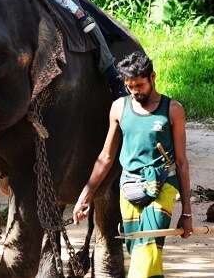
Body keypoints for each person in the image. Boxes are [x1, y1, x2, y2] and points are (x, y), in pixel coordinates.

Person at [73, 52, 193, 278]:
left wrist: (187, 211)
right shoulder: (119, 108)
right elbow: (106, 157)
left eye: (140, 85)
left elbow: (182, 162)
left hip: (163, 185)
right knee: (140, 250)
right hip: (129, 187)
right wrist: (85, 195)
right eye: (130, 87)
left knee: (146, 245)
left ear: (153, 77)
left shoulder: (172, 110)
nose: (135, 91)